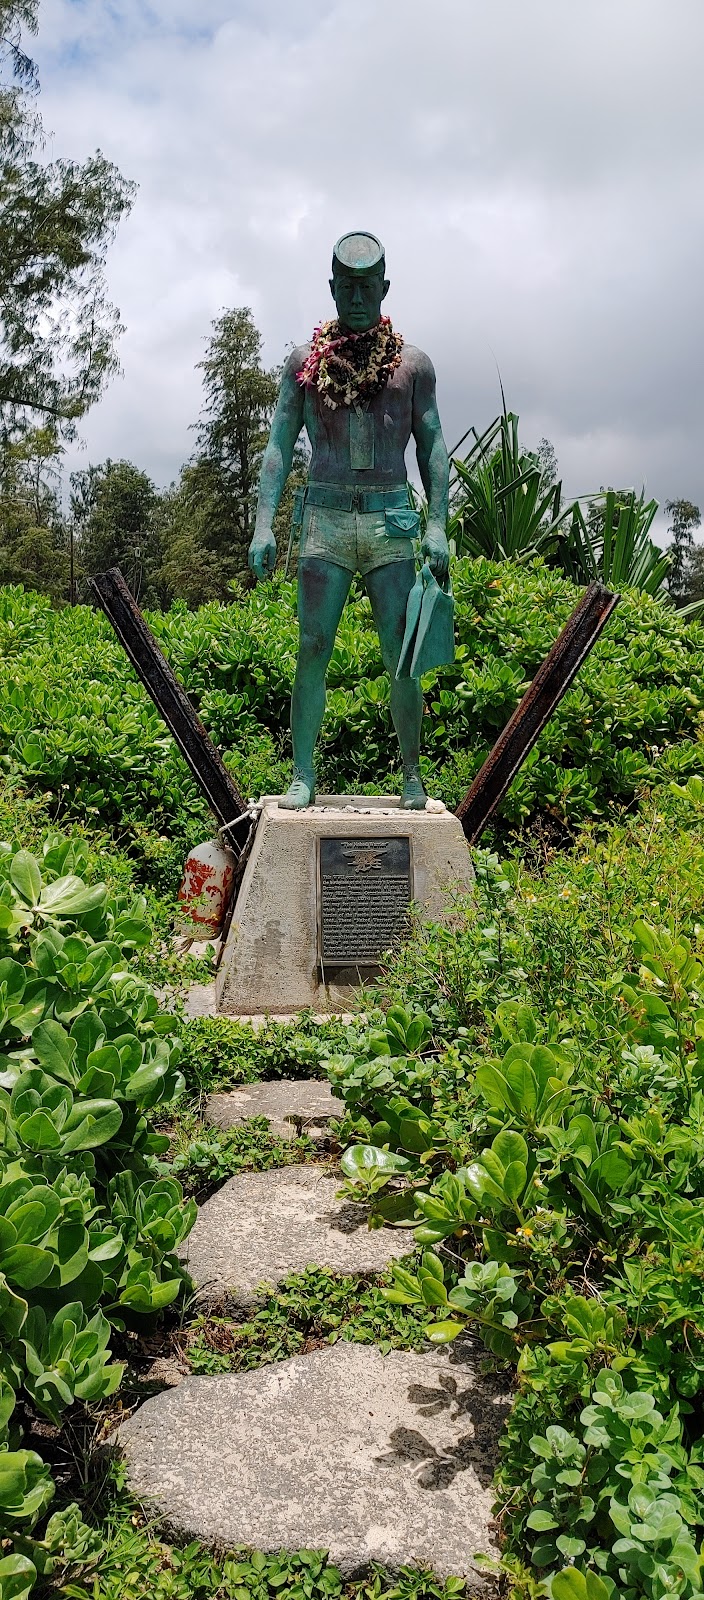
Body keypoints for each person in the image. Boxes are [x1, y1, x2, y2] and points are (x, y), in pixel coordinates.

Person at [248, 230, 450, 810]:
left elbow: (431, 446)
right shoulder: (303, 365)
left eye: (368, 286)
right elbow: (279, 446)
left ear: (384, 287)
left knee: (402, 652)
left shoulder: (413, 367)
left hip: (391, 519)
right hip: (326, 518)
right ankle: (303, 772)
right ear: (331, 287)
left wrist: (436, 524)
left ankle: (412, 775)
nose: (357, 297)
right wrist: (265, 522)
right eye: (347, 286)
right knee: (313, 645)